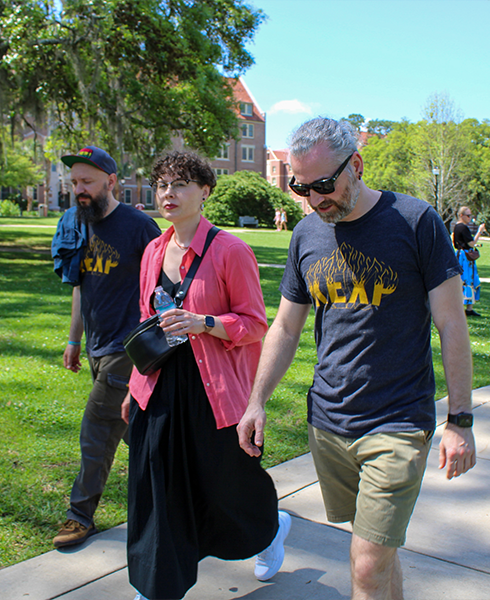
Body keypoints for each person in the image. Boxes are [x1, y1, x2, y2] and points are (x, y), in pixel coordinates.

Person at [237, 118, 476, 600]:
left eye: (324, 185)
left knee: (365, 565)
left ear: (357, 165)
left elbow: (451, 323)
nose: (315, 198)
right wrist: (256, 401)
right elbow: (285, 326)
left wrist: (460, 419)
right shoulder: (306, 234)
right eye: (303, 188)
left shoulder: (414, 221)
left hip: (397, 421)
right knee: (378, 555)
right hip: (328, 421)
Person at [123, 151, 287, 600]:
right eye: (161, 185)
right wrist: (133, 387)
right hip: (157, 388)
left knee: (226, 487)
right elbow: (145, 320)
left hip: (211, 393)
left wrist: (204, 323)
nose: (168, 194)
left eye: (179, 184)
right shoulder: (154, 250)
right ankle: (156, 587)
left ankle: (271, 530)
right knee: (157, 489)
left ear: (204, 192)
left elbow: (256, 324)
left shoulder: (230, 251)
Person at [50, 146, 161, 548]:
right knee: (145, 438)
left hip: (129, 349)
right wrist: (74, 338)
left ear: (111, 182)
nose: (79, 190)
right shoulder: (77, 224)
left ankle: (79, 516)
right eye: (75, 182)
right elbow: (81, 286)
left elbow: (162, 284)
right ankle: (198, 495)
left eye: (87, 182)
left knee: (96, 429)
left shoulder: (137, 226)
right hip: (98, 348)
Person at [453, 206, 485, 317]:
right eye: (468, 215)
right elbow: (471, 243)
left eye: (470, 215)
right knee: (468, 280)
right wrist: (479, 232)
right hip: (465, 257)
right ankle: (467, 308)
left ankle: (468, 308)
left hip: (460, 255)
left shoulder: (457, 227)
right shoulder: (463, 227)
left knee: (465, 280)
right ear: (461, 215)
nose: (470, 217)